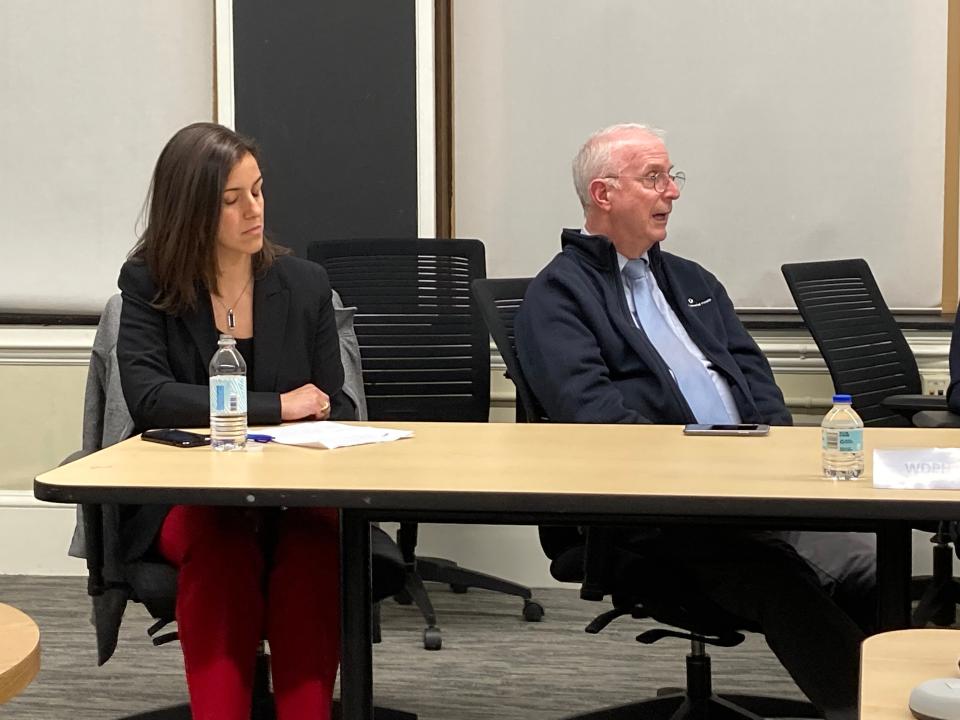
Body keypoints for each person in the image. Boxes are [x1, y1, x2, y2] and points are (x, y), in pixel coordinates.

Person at [515, 123, 875, 720]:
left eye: (671, 176)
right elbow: (596, 421)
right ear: (604, 194)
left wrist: (775, 464)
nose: (672, 192)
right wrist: (710, 473)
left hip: (750, 494)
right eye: (653, 177)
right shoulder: (558, 299)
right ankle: (863, 711)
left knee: (874, 565)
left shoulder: (690, 279)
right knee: (780, 580)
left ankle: (898, 702)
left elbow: (755, 377)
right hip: (657, 516)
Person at [116, 122, 352, 720]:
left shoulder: (303, 286)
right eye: (232, 200)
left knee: (312, 549)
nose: (255, 209)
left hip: (294, 493)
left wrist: (312, 410)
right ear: (192, 212)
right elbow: (152, 398)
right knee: (221, 545)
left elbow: (336, 404)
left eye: (258, 190)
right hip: (188, 496)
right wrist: (278, 406)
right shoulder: (149, 283)